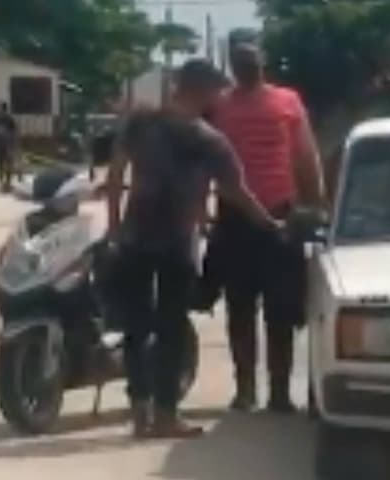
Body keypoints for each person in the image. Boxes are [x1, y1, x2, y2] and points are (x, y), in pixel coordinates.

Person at [107, 58, 280, 439]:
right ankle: (165, 415)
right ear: (204, 92)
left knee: (136, 327)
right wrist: (270, 223)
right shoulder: (209, 140)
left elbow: (115, 175)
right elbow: (237, 192)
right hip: (176, 243)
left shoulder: (140, 123)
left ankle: (140, 413)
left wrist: (114, 227)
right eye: (216, 92)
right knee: (170, 329)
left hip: (136, 236)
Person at [208, 32, 325, 413]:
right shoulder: (219, 105)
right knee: (240, 306)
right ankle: (245, 389)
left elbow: (306, 157)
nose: (247, 64)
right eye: (241, 58)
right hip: (234, 217)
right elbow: (204, 156)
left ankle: (278, 391)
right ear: (232, 66)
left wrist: (315, 205)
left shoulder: (287, 102)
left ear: (262, 62)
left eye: (252, 57)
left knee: (281, 308)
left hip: (281, 215)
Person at [0, 102, 18, 193]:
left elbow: (13, 131)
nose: (1, 111)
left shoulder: (5, 118)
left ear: (2, 109)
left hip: (5, 144)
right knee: (4, 163)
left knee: (5, 164)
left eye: (1, 109)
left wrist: (12, 143)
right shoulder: (1, 117)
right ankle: (4, 183)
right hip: (3, 144)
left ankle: (5, 182)